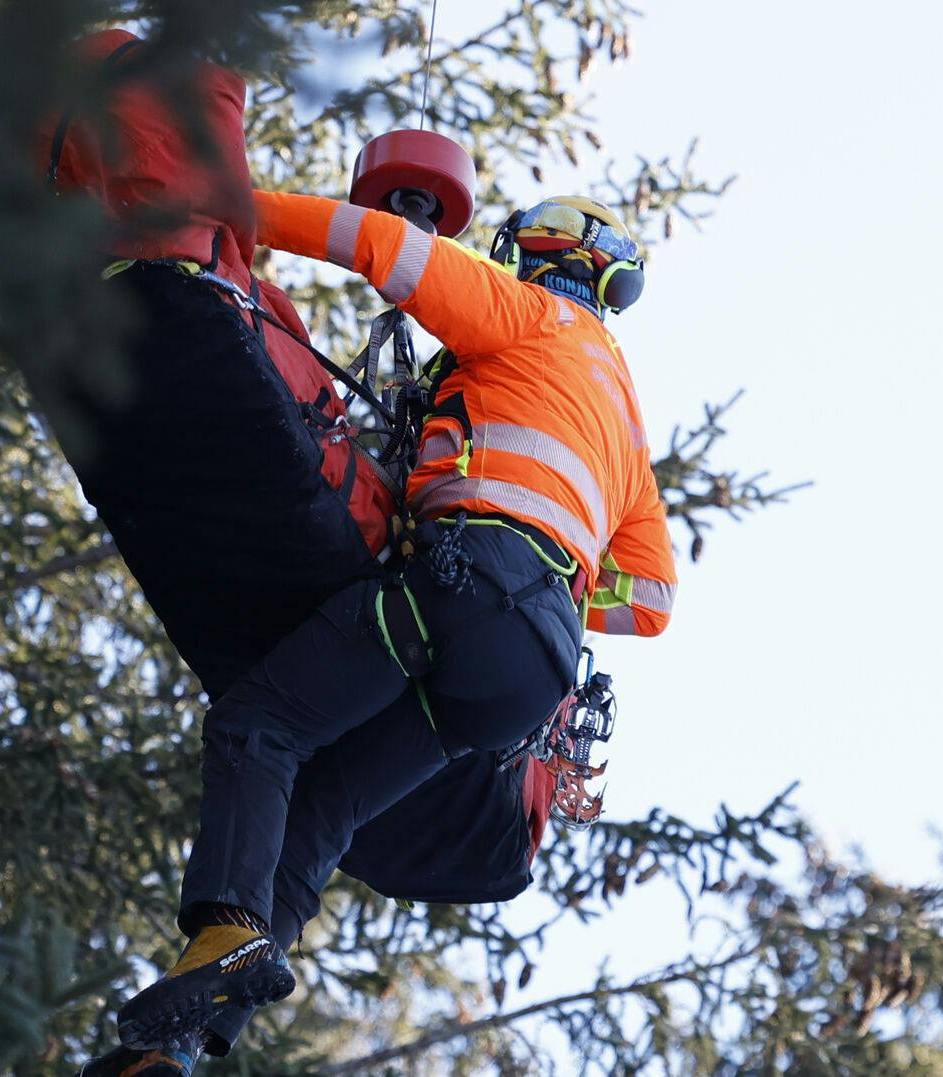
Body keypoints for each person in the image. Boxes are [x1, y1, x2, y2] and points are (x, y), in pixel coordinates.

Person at [88, 190, 678, 1076]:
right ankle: (178, 1047)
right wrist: (558, 572)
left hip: (466, 586)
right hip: (533, 672)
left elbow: (379, 244)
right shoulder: (624, 423)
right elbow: (654, 598)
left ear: (541, 253)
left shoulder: (529, 315)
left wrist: (235, 208)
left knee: (261, 723)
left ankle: (227, 929)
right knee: (326, 806)